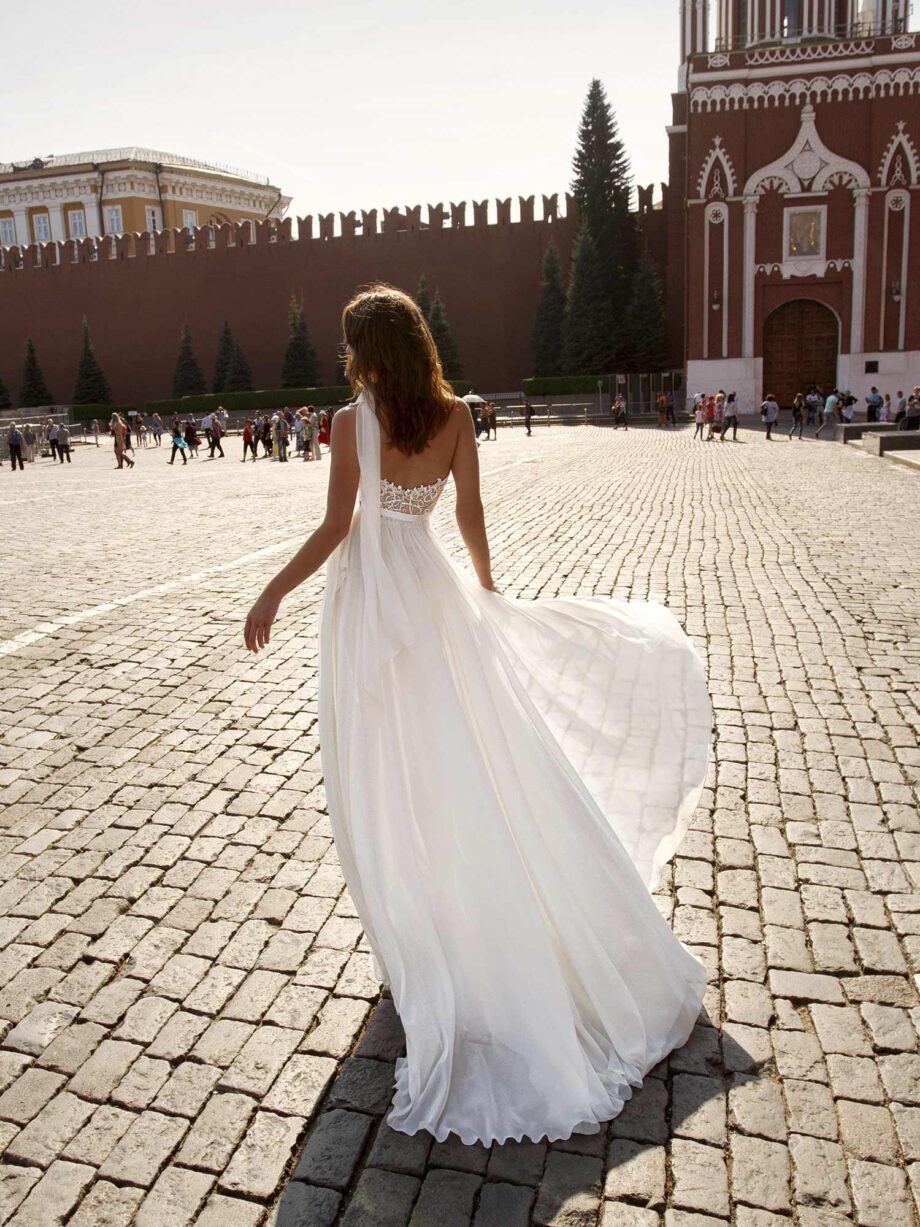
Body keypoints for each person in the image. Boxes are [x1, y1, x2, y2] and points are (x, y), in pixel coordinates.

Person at [243, 284, 710, 1147]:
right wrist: (489, 594)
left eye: (350, 345)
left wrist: (272, 589)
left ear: (368, 350)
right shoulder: (456, 414)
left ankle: (423, 932)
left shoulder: (352, 424)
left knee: (387, 775)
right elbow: (468, 514)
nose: (345, 358)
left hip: (371, 606)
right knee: (467, 759)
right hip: (433, 596)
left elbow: (337, 528)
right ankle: (457, 922)